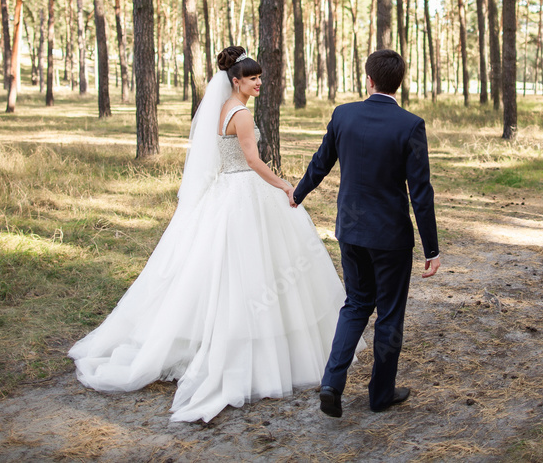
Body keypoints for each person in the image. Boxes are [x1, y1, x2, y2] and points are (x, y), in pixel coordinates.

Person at [69, 46, 353, 423]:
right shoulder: (243, 116)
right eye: (253, 78)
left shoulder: (222, 110)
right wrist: (285, 185)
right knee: (254, 271)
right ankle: (249, 350)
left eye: (260, 78)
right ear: (236, 81)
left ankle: (221, 339)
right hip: (244, 192)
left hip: (225, 192)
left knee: (223, 271)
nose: (259, 83)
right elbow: (252, 162)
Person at [290, 49, 441, 418]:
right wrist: (431, 249)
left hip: (351, 232)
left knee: (356, 304)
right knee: (389, 314)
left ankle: (332, 382)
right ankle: (380, 394)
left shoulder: (344, 115)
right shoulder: (410, 125)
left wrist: (298, 193)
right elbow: (420, 193)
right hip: (390, 238)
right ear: (398, 83)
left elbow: (320, 162)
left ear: (369, 80)